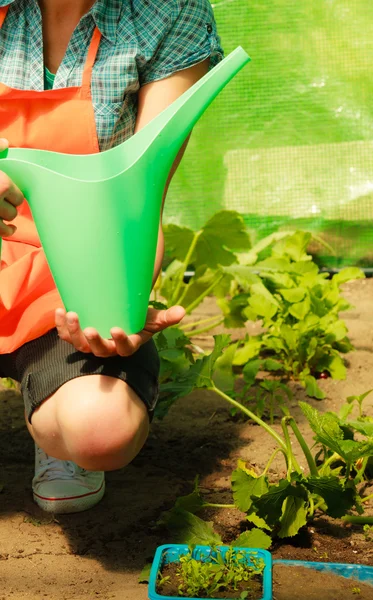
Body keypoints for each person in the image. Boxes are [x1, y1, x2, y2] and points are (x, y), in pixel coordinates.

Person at [0, 0, 222, 514]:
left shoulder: (166, 12)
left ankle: (57, 411)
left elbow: (138, 198)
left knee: (101, 430)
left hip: (74, 277)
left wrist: (115, 309)